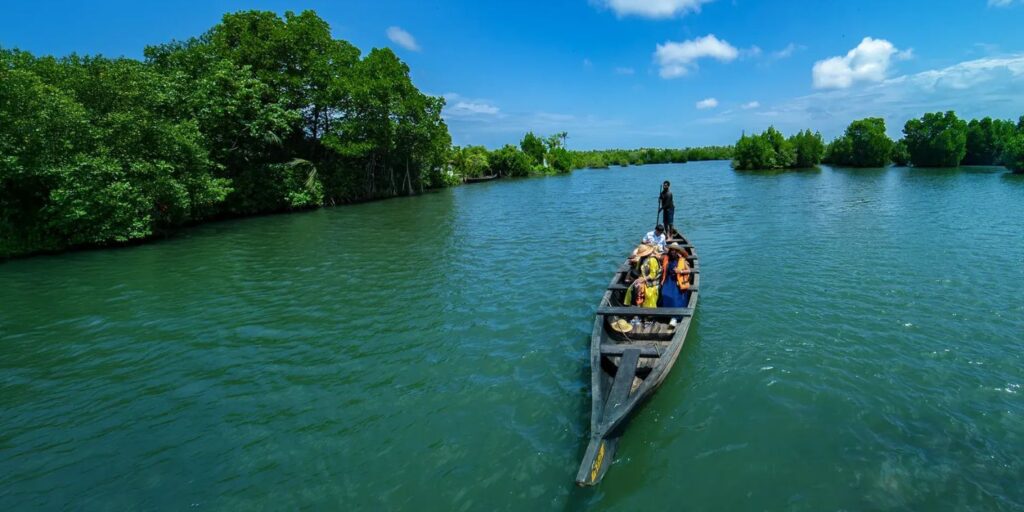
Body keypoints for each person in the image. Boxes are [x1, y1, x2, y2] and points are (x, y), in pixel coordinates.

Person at [659, 242, 693, 325]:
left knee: (675, 297)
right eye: (672, 250)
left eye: (675, 250)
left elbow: (689, 270)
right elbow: (659, 258)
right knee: (664, 294)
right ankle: (667, 314)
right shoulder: (666, 258)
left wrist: (680, 271)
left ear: (678, 251)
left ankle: (675, 317)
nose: (673, 252)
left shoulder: (681, 260)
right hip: (668, 280)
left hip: (677, 282)